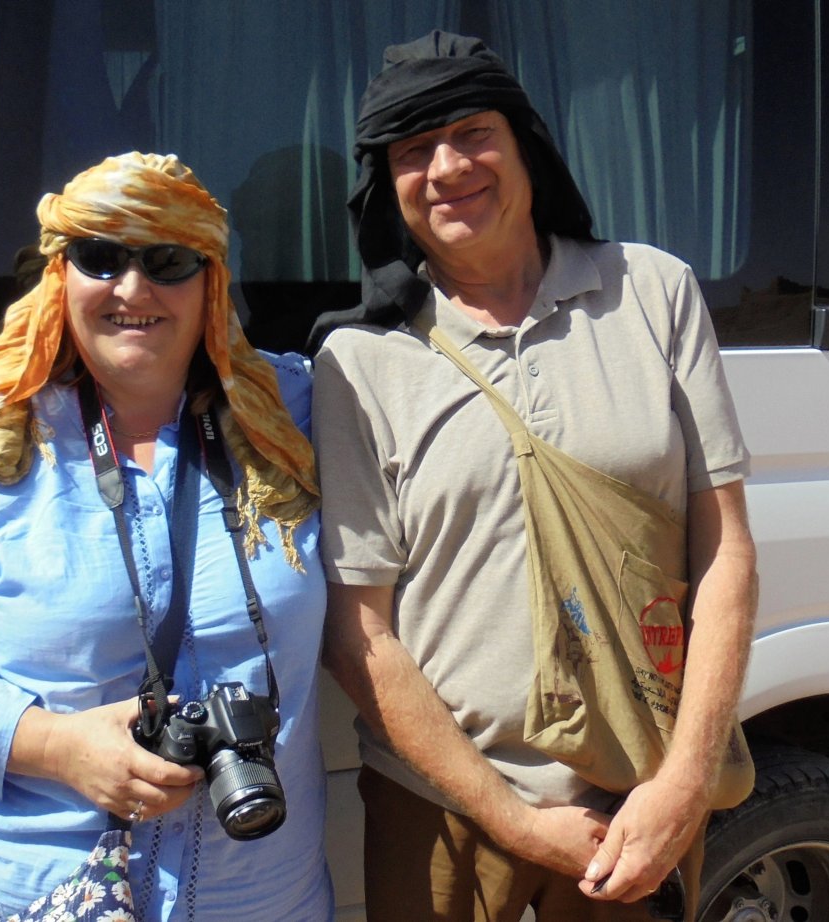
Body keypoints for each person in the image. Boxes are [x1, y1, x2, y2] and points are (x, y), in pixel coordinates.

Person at [311, 31, 758, 922]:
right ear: (386, 185)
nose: (445, 168)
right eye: (411, 150)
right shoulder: (359, 362)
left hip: (637, 800)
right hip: (441, 813)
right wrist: (509, 815)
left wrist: (683, 783)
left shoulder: (652, 292)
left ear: (525, 145)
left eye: (472, 133)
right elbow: (361, 634)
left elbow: (726, 555)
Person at [0, 151, 334, 921]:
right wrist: (57, 747)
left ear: (212, 281)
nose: (133, 289)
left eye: (168, 260)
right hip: (41, 891)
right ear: (59, 275)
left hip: (257, 893)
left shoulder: (292, 416)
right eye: (101, 257)